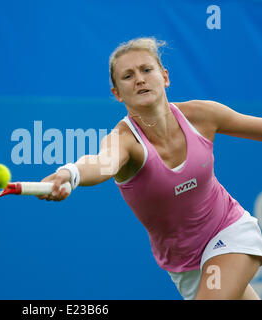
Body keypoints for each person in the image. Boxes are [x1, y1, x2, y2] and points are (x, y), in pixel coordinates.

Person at [37, 37, 262, 300]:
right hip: (185, 265)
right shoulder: (124, 141)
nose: (140, 79)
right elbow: (102, 163)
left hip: (229, 230)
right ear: (117, 94)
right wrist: (71, 174)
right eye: (128, 76)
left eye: (146, 70)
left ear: (165, 77)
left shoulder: (202, 115)